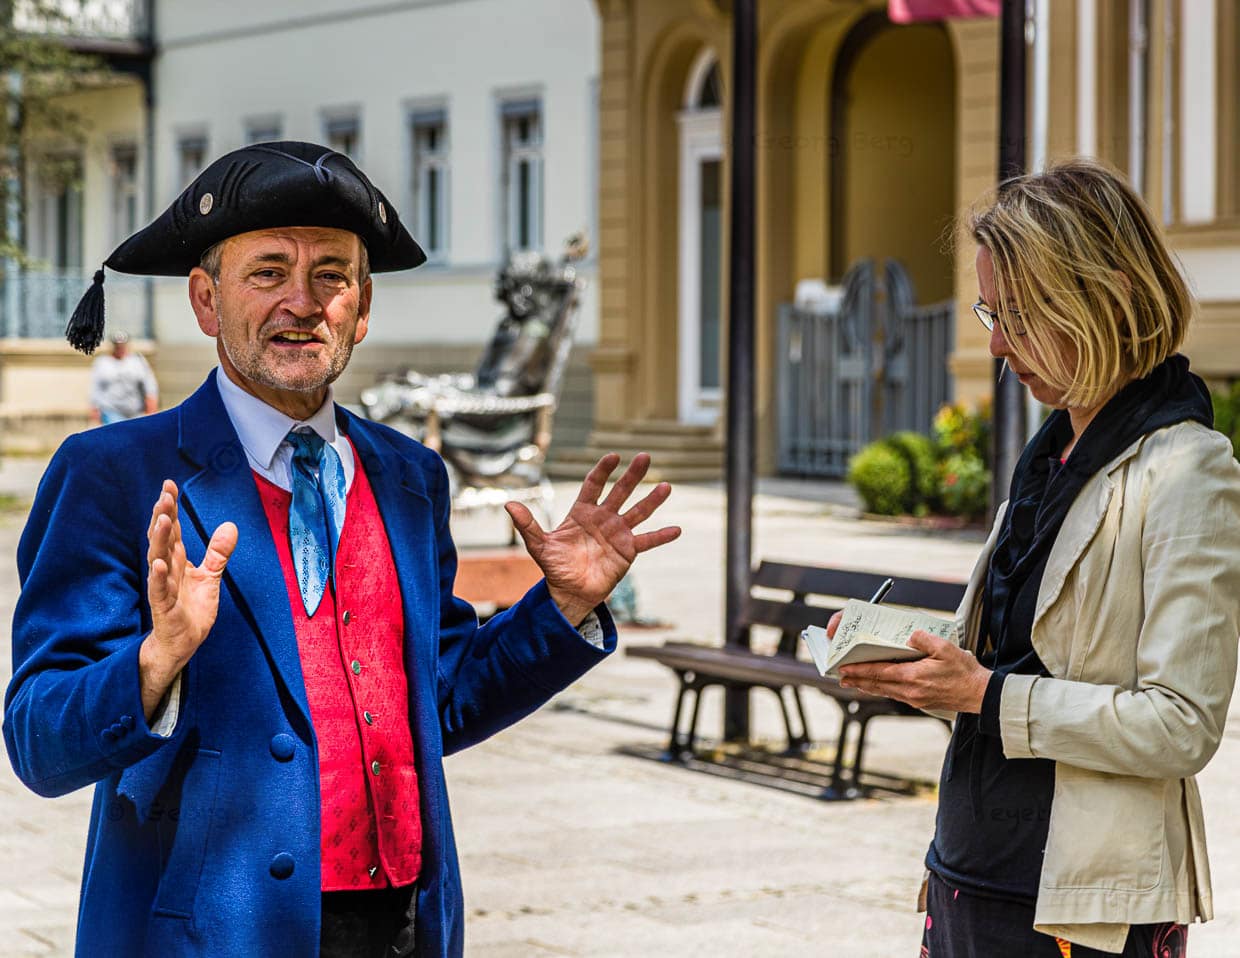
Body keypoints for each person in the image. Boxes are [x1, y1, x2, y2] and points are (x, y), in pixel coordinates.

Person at [3, 142, 681, 958]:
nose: (302, 301)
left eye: (332, 274)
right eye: (268, 272)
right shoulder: (114, 473)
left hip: (401, 924)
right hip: (210, 932)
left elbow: (438, 699)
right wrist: (156, 660)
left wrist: (563, 607)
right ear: (205, 301)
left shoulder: (410, 477)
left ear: (362, 309)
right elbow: (38, 740)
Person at [828, 159, 1240, 957]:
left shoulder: (1188, 467)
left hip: (1079, 905)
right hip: (965, 868)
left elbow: (1182, 724)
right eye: (991, 309)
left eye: (1019, 312)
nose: (997, 343)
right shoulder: (1047, 454)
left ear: (1109, 295)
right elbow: (1015, 662)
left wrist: (983, 693)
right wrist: (910, 661)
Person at [89, 329, 159, 424]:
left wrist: (151, 402)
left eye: (122, 346)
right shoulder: (103, 362)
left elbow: (149, 384)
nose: (119, 349)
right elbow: (95, 387)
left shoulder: (137, 361)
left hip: (134, 411)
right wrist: (94, 407)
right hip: (111, 410)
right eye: (117, 346)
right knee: (116, 436)